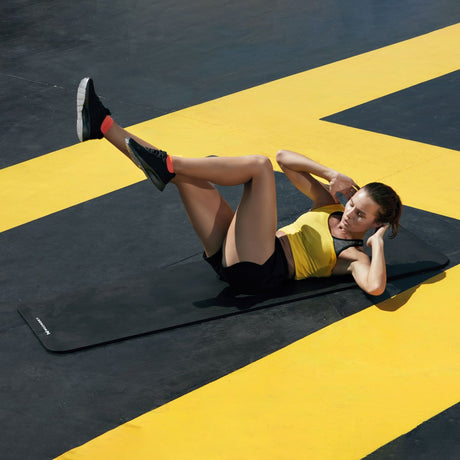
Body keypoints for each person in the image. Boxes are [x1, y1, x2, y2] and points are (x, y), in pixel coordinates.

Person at [77, 77, 402, 296]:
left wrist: (378, 245)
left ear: (376, 224)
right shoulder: (329, 204)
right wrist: (330, 174)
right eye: (353, 204)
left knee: (259, 167)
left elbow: (374, 287)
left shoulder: (353, 256)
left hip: (259, 270)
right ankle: (103, 125)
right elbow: (285, 158)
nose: (349, 214)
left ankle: (169, 164)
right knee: (189, 177)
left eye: (361, 215)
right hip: (237, 252)